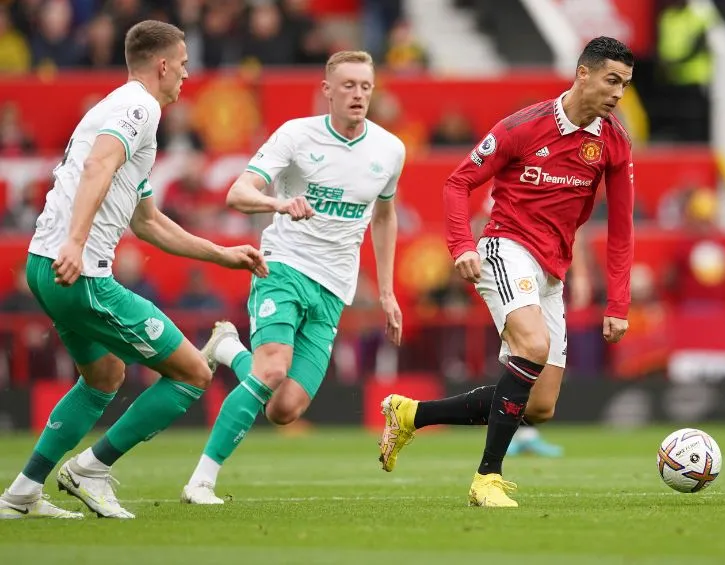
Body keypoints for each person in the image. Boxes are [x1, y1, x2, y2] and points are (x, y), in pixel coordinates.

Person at [0, 20, 269, 520]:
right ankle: (91, 469)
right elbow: (98, 166)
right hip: (80, 273)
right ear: (162, 65)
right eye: (184, 65)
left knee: (103, 375)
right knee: (191, 371)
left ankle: (20, 493)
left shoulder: (119, 107)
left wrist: (221, 253)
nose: (188, 75)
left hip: (45, 265)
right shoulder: (139, 106)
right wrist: (78, 244)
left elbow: (147, 223)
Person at [378, 37, 635, 507]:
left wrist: (617, 303)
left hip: (553, 268)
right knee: (533, 346)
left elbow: (621, 230)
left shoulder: (614, 143)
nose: (618, 94)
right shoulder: (525, 125)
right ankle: (487, 479)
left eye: (625, 84)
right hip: (505, 247)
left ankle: (410, 414)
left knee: (539, 406)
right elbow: (458, 183)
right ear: (583, 74)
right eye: (612, 80)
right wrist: (461, 246)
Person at [181, 50, 406, 504]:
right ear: (327, 91)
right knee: (273, 368)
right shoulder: (296, 136)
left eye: (365, 85)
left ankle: (227, 348)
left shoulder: (390, 149)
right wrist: (279, 204)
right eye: (348, 85)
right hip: (282, 265)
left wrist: (386, 291)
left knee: (285, 408)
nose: (358, 94)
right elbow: (238, 193)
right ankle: (201, 480)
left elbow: (384, 217)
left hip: (334, 288)